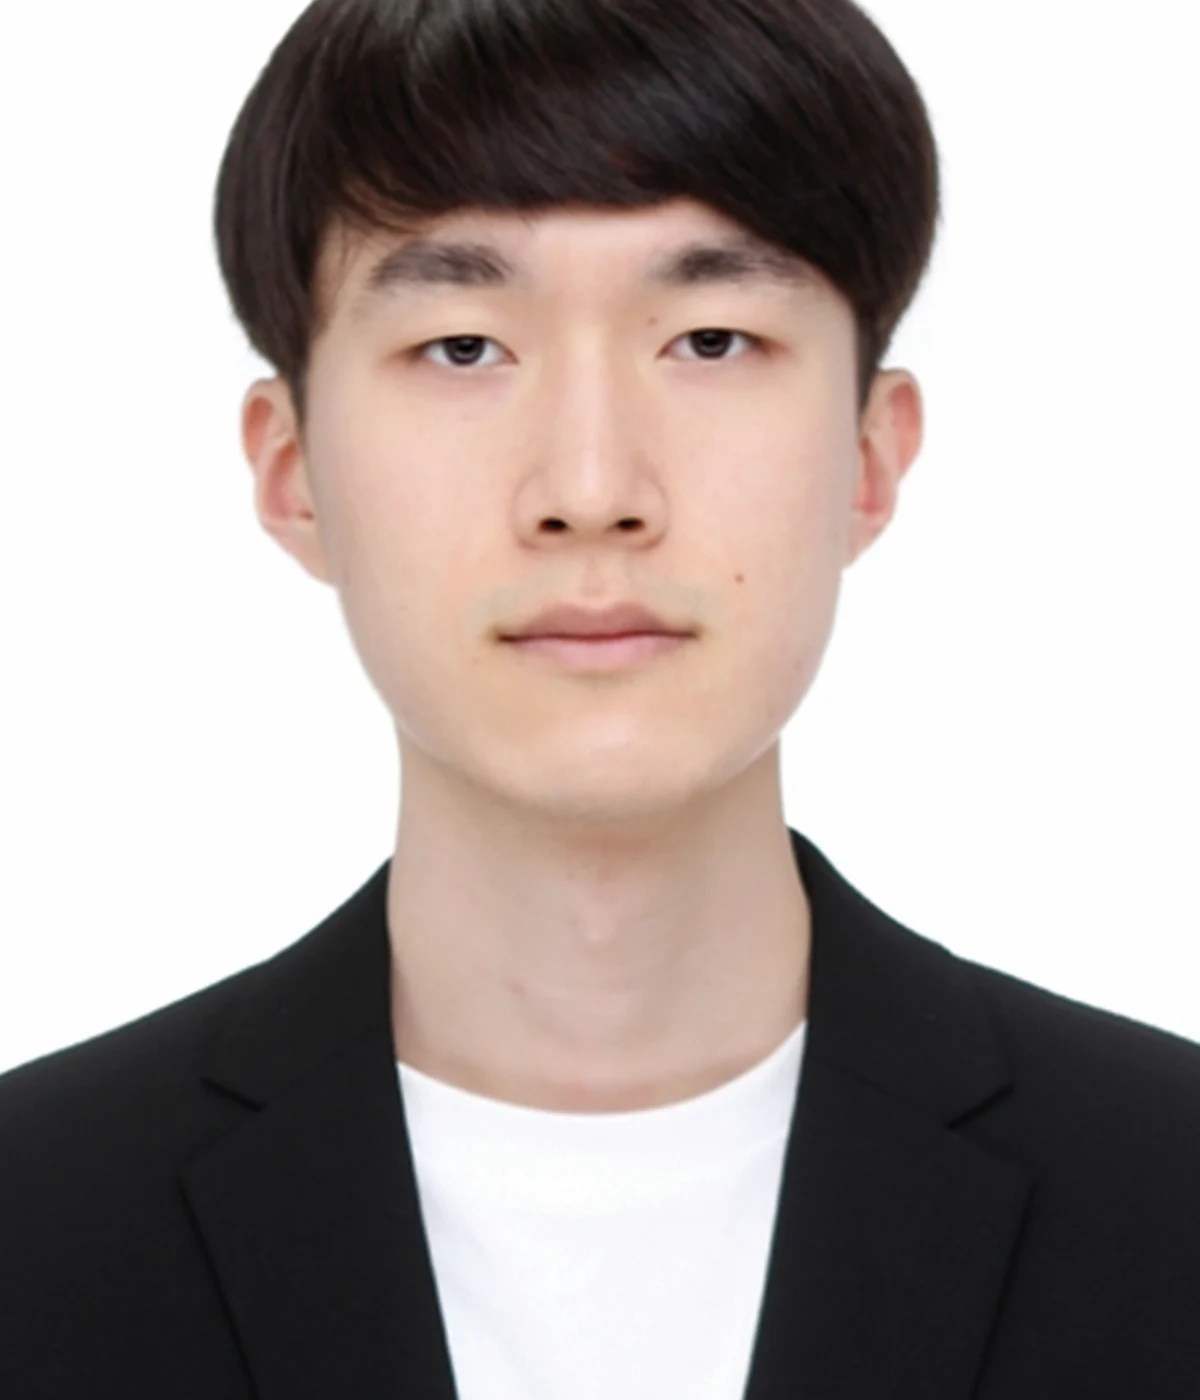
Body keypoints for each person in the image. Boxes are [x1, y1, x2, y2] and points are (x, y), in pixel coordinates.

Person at [2, 0, 1198, 1394]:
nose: (589, 490)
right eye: (463, 347)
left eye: (710, 340)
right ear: (293, 472)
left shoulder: (1169, 1201)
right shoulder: (36, 1226)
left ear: (871, 457)